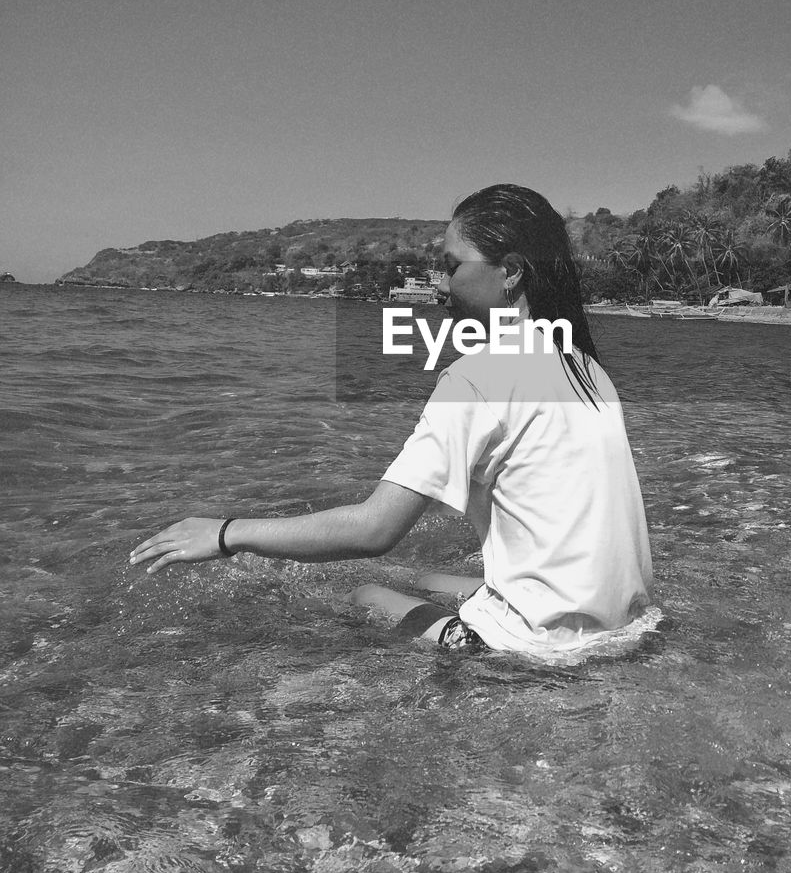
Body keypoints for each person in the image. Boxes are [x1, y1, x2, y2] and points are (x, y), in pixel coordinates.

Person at [130, 185, 653, 659]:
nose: (442, 284)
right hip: (626, 629)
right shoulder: (586, 370)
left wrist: (226, 533)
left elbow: (374, 529)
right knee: (426, 577)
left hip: (540, 649)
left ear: (511, 270)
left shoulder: (480, 376)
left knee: (364, 593)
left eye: (452, 266)